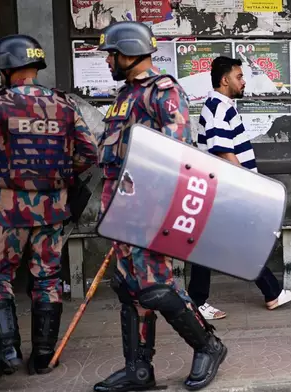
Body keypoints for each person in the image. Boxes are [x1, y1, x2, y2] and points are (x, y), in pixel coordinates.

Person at [95, 21, 226, 392]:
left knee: (156, 287)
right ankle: (138, 370)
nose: (107, 60)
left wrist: (157, 213)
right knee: (128, 287)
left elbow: (178, 158)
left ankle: (208, 345)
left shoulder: (163, 92)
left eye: (111, 53)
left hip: (147, 212)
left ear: (130, 52)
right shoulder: (125, 95)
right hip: (120, 213)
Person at [0, 34, 98, 385]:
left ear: (5, 67)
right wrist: (57, 175)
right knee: (47, 279)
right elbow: (90, 154)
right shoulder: (64, 105)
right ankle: (43, 356)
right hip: (53, 211)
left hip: (9, 210)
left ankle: (6, 351)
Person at [189, 55, 291, 320]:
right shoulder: (218, 106)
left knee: (219, 243)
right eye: (239, 77)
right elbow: (222, 151)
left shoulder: (222, 105)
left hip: (223, 189)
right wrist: (245, 185)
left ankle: (270, 293)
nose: (243, 81)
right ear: (224, 79)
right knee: (236, 242)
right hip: (226, 189)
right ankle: (270, 293)